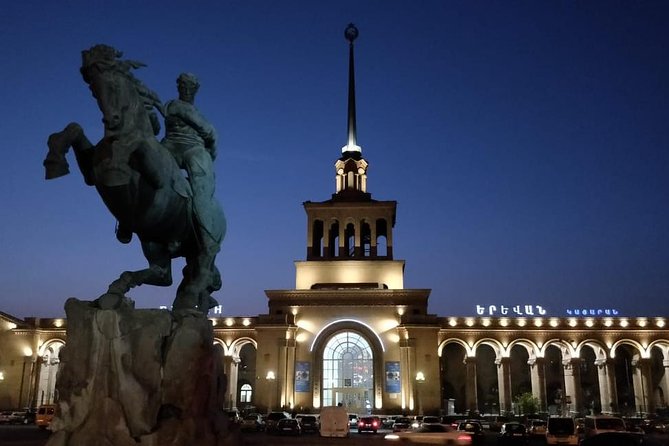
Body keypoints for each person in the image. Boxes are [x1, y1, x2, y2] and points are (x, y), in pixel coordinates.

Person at [160, 72, 219, 244]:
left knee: (202, 186)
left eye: (190, 87)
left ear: (195, 90)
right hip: (170, 145)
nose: (186, 89)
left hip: (192, 148)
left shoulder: (180, 109)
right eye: (183, 86)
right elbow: (209, 132)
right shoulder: (170, 105)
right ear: (178, 87)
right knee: (143, 161)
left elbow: (210, 133)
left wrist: (209, 157)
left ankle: (205, 229)